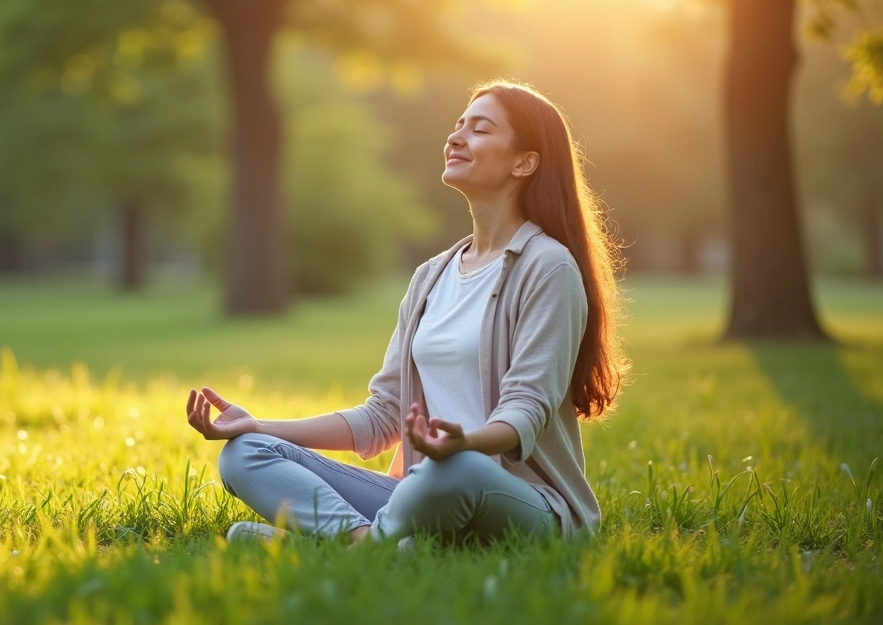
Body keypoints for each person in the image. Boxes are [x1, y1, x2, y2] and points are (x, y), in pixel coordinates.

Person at [185, 80, 628, 546]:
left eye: (480, 129)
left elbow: (526, 410)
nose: (456, 137)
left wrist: (463, 444)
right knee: (245, 454)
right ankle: (370, 542)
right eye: (459, 125)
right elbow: (383, 417)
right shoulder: (431, 276)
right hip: (420, 495)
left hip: (518, 501)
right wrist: (256, 425)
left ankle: (357, 548)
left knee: (456, 471)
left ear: (525, 161)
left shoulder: (547, 266)